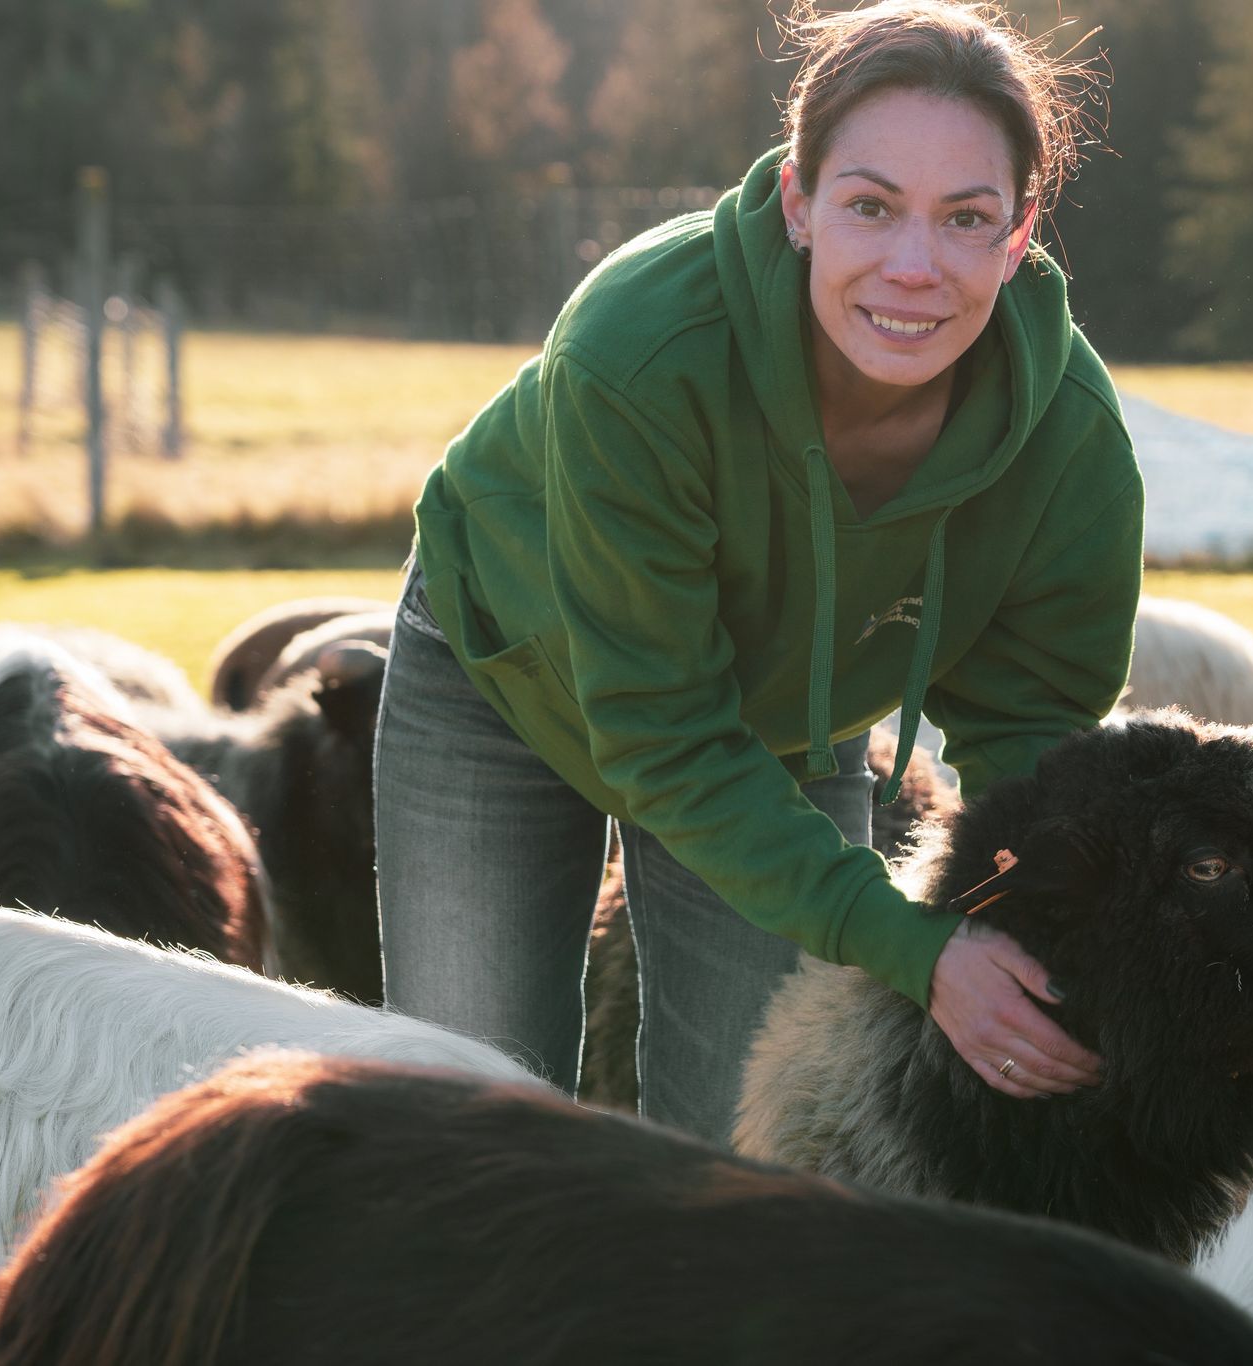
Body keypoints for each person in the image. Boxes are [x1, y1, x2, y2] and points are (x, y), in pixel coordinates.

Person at [375, 0, 1142, 1144]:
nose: (913, 265)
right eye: (870, 206)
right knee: (472, 1126)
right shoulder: (638, 349)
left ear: (1019, 232)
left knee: (753, 1149)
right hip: (507, 672)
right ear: (797, 200)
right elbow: (662, 734)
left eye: (964, 217)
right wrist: (910, 949)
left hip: (784, 721)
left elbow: (1033, 734)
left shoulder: (1068, 438)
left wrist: (1022, 932)